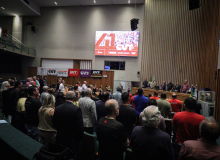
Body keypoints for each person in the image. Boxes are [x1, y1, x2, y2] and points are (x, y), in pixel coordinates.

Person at [53, 91, 84, 159]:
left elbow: (54, 122)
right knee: (72, 156)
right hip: (72, 139)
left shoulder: (58, 107)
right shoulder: (76, 109)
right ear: (74, 97)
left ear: (65, 97)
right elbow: (80, 126)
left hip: (60, 136)